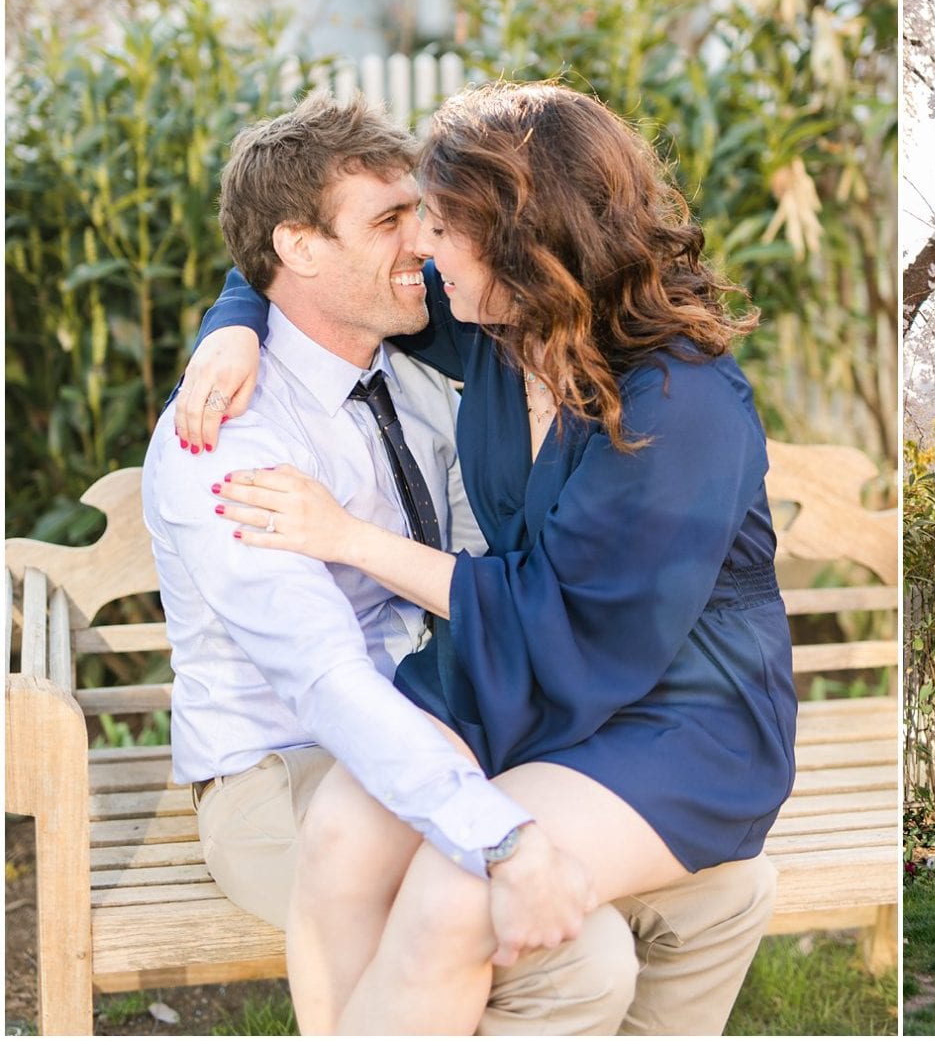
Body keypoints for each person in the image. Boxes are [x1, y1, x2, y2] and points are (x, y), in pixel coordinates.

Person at [154, 89, 783, 1036]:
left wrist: (350, 536)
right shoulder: (495, 327)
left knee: (458, 890)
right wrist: (233, 317)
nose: (423, 250)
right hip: (535, 678)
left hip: (671, 705)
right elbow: (300, 274)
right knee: (340, 828)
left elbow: (568, 619)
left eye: (437, 223)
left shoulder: (676, 405)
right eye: (409, 221)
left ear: (521, 237)